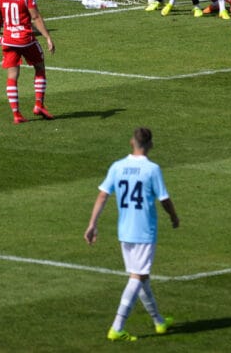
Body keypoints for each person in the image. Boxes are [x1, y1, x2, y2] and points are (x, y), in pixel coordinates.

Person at [85, 127, 179, 342]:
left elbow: (102, 195)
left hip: (124, 230)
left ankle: (159, 322)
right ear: (150, 145)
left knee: (142, 275)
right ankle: (117, 327)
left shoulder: (118, 166)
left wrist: (92, 224)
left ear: (131, 142)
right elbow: (164, 199)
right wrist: (174, 217)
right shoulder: (152, 169)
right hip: (144, 230)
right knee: (137, 276)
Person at [0, 0, 56, 123]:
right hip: (25, 39)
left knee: (12, 75)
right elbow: (35, 17)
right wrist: (47, 37)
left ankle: (16, 114)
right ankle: (39, 104)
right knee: (39, 67)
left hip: (9, 38)